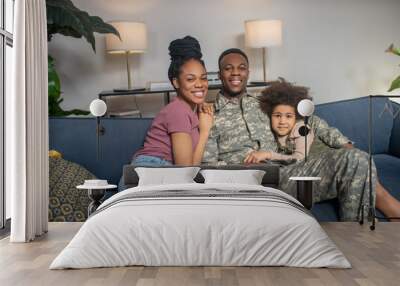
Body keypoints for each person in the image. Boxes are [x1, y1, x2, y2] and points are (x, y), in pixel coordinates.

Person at [202, 48, 400, 221]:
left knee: (357, 159)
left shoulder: (263, 105)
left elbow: (306, 120)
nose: (235, 72)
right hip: (250, 182)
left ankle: (359, 241)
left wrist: (342, 142)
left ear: (248, 72)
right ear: (219, 74)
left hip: (285, 174)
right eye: (228, 68)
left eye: (241, 67)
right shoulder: (209, 114)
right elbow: (207, 165)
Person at [133, 36, 213, 167]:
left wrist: (201, 104)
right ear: (176, 82)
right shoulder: (178, 111)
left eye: (203, 78)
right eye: (190, 79)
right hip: (151, 167)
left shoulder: (189, 109)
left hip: (158, 168)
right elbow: (186, 169)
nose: (200, 84)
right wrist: (204, 132)